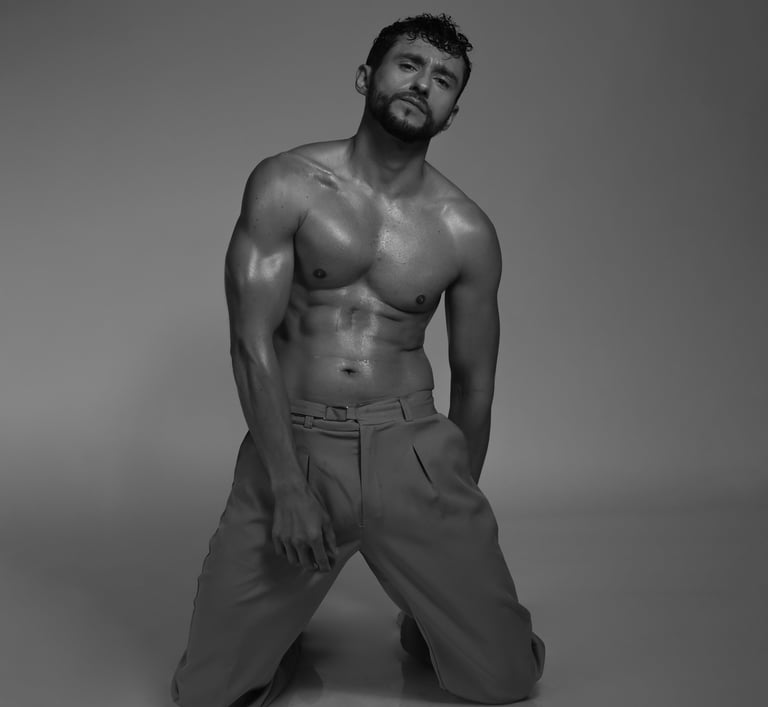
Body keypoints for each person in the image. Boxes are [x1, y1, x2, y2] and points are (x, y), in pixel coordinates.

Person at [170, 13, 545, 707]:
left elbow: (476, 384)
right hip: (296, 442)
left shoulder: (465, 229)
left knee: (505, 681)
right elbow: (250, 341)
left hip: (413, 449)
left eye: (443, 80)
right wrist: (287, 487)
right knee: (209, 695)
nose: (423, 84)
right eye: (409, 65)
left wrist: (451, 506)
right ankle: (274, 634)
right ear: (366, 76)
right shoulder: (287, 183)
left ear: (452, 112)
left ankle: (427, 620)